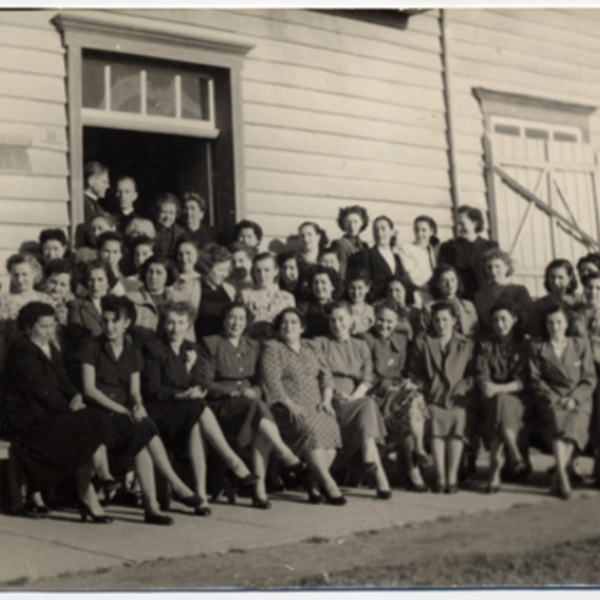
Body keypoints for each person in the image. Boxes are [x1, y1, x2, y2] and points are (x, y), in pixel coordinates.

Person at [80, 295, 203, 525]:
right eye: (105, 321)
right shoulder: (91, 347)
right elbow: (90, 390)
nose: (109, 326)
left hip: (121, 412)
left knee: (144, 430)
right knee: (142, 432)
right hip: (97, 412)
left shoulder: (133, 351)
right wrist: (125, 410)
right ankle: (173, 487)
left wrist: (138, 405)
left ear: (127, 323)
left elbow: (135, 391)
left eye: (115, 321)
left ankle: (152, 506)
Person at [142, 301, 259, 515]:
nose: (175, 328)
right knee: (196, 408)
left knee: (196, 421)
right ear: (163, 324)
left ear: (188, 325)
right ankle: (232, 461)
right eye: (170, 323)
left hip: (186, 412)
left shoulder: (191, 349)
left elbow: (199, 384)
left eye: (180, 323)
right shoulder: (153, 349)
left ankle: (201, 495)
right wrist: (182, 394)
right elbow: (153, 390)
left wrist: (189, 367)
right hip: (161, 412)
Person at [0, 302, 112, 521]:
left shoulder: (50, 347)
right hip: (28, 418)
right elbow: (40, 390)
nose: (49, 331)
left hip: (49, 411)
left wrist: (76, 396)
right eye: (43, 327)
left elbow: (63, 381)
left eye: (52, 326)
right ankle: (98, 481)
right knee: (92, 420)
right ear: (27, 327)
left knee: (93, 420)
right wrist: (70, 409)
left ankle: (97, 483)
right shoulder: (21, 349)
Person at [198, 302, 305, 508]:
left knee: (258, 415)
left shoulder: (253, 346)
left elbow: (259, 382)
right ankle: (284, 453)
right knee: (257, 409)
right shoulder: (211, 343)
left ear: (246, 322)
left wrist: (254, 391)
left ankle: (260, 491)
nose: (236, 322)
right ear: (224, 320)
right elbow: (205, 382)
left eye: (240, 318)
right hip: (220, 405)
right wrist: (236, 392)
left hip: (248, 404)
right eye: (231, 317)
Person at [260, 308, 345, 505]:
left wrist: (326, 400)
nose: (288, 326)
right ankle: (329, 484)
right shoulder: (273, 347)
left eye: (293, 322)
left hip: (317, 404)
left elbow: (326, 376)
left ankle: (313, 485)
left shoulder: (312, 346)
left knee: (331, 429)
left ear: (302, 327)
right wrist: (290, 405)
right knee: (312, 431)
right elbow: (271, 381)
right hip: (286, 406)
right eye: (284, 323)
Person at [316, 301, 391, 499]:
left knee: (367, 403)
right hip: (330, 399)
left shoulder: (360, 345)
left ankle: (369, 456)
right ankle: (379, 479)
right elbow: (324, 375)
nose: (337, 324)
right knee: (369, 407)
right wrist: (333, 395)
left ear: (351, 321)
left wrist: (353, 396)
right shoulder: (322, 343)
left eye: (341, 319)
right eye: (332, 320)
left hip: (354, 398)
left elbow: (368, 377)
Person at [528, 303, 596, 500]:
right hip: (551, 397)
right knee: (558, 424)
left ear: (566, 324)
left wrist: (574, 399)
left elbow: (589, 377)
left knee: (575, 425)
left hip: (579, 398)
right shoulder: (538, 348)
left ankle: (558, 474)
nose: (555, 327)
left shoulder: (580, 345)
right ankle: (564, 476)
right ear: (546, 325)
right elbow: (535, 379)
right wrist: (555, 399)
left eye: (559, 322)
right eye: (550, 323)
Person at [361, 299, 430, 493]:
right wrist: (388, 387)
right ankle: (414, 464)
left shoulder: (400, 339)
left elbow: (408, 369)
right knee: (410, 405)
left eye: (390, 322)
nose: (384, 325)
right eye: (381, 320)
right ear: (374, 318)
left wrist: (408, 382)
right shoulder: (365, 339)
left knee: (413, 400)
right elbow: (366, 375)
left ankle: (416, 454)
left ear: (397, 322)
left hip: (397, 393)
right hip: (375, 395)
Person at [409, 300, 475, 494]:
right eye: (437, 320)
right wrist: (429, 387)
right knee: (436, 422)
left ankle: (452, 478)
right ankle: (440, 477)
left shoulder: (466, 344)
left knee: (459, 421)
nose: (441, 324)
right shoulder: (423, 343)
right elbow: (415, 373)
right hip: (433, 397)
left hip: (458, 398)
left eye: (446, 319)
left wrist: (462, 387)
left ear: (454, 321)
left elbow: (473, 374)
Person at [474, 301, 530, 493]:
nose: (499, 324)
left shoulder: (524, 345)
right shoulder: (486, 345)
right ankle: (514, 453)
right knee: (498, 403)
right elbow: (481, 374)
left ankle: (494, 469)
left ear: (514, 320)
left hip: (517, 397)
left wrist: (499, 388)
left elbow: (523, 380)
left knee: (502, 402)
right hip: (490, 397)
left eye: (504, 319)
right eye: (495, 320)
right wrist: (487, 386)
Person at [0, 253, 54, 368]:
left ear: (34, 274)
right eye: (15, 275)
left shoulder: (45, 299)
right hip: (14, 359)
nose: (20, 280)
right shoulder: (3, 301)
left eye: (25, 274)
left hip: (42, 357)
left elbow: (52, 335)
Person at [438, 205, 498, 301]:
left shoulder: (490, 246)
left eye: (462, 224)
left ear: (475, 223)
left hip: (487, 298)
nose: (458, 228)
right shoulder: (448, 247)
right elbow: (442, 275)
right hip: (460, 299)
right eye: (456, 224)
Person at [574, 272, 600, 486]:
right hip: (583, 371)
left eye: (598, 288)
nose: (593, 292)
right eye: (590, 287)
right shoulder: (576, 315)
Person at [474, 248, 532, 337]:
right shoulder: (480, 295)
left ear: (506, 267)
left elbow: (528, 319)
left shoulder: (520, 291)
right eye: (489, 267)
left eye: (497, 266)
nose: (493, 271)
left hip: (516, 339)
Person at [238, 252, 295, 341]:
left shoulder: (287, 298)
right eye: (258, 270)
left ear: (276, 271)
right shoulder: (245, 295)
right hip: (252, 343)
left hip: (278, 344)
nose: (262, 275)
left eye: (267, 270)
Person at [127, 256, 178, 345]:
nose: (153, 276)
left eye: (159, 273)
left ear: (168, 276)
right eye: (150, 272)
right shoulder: (130, 299)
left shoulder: (177, 299)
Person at [363, 215, 414, 303]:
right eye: (376, 230)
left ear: (391, 232)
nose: (379, 233)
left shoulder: (397, 257)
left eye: (383, 229)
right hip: (377, 305)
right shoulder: (367, 255)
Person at [422, 264, 479, 339]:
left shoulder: (468, 305)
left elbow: (476, 332)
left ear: (457, 281)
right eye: (444, 281)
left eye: (452, 280)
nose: (449, 285)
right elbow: (423, 337)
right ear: (437, 284)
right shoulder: (429, 308)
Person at [528, 259, 581, 338]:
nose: (555, 282)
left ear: (569, 278)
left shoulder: (579, 301)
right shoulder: (539, 305)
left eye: (560, 277)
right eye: (552, 277)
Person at [397, 215, 440, 306]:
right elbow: (412, 276)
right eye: (416, 230)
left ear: (431, 232)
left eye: (424, 230)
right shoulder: (406, 248)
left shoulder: (434, 250)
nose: (419, 234)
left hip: (437, 295)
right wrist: (434, 288)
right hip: (419, 295)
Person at [195, 244, 236, 339]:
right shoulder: (193, 287)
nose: (225, 274)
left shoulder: (229, 289)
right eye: (221, 270)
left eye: (228, 270)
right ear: (207, 267)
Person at [298, 266, 342, 339]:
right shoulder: (305, 306)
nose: (319, 286)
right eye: (315, 282)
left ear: (332, 286)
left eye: (323, 282)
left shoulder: (340, 307)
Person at [331, 205, 370, 281]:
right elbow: (341, 272)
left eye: (355, 221)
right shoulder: (339, 244)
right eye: (348, 222)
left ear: (362, 223)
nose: (352, 226)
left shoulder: (365, 246)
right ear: (343, 224)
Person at [77, 161, 110, 248]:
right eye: (104, 182)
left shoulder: (96, 205)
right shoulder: (83, 204)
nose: (108, 186)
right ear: (91, 181)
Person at [170, 236, 202, 322]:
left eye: (188, 253)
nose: (184, 259)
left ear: (196, 255)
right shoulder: (172, 280)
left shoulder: (200, 281)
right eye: (180, 254)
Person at [43, 259, 75, 329]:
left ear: (69, 287)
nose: (57, 288)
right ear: (45, 281)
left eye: (62, 285)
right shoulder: (36, 301)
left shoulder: (71, 306)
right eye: (53, 282)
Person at [153, 193, 186, 259]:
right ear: (157, 212)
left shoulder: (181, 233)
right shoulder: (149, 230)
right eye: (164, 212)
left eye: (171, 213)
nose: (168, 217)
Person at [345, 270, 375, 335]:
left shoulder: (372, 310)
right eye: (352, 288)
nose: (356, 292)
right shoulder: (343, 308)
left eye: (360, 288)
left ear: (367, 288)